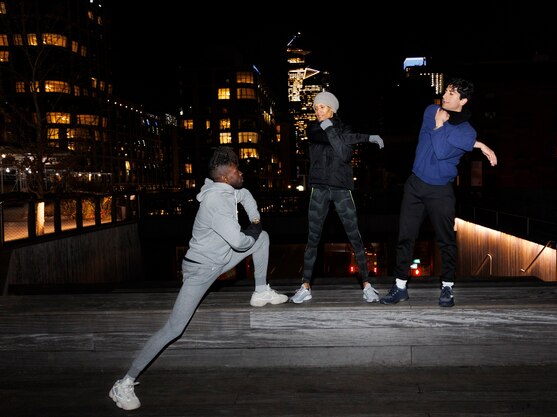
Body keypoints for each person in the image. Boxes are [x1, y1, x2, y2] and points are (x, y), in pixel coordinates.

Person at [108, 146, 288, 411]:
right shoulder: (217, 202)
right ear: (226, 177)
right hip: (200, 271)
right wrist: (251, 231)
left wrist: (255, 220)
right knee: (174, 328)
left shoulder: (227, 191)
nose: (242, 173)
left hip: (219, 261)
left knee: (262, 237)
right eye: (237, 170)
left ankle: (261, 290)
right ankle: (124, 382)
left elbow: (246, 195)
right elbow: (239, 243)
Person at [379, 78, 497, 307]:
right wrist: (478, 144)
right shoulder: (431, 110)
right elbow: (444, 141)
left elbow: (442, 151)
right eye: (446, 91)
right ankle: (400, 287)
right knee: (405, 237)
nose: (446, 96)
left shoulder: (466, 131)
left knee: (446, 240)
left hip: (440, 190)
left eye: (452, 94)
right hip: (415, 185)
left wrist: (441, 127)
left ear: (463, 100)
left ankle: (447, 288)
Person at [290, 91, 385, 304]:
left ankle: (367, 285)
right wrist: (363, 137)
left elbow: (344, 154)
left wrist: (363, 136)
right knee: (313, 238)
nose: (317, 111)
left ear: (332, 108)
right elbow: (340, 144)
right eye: (315, 108)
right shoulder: (313, 128)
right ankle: (305, 286)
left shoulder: (342, 128)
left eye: (322, 107)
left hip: (341, 188)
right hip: (319, 188)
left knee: (355, 236)